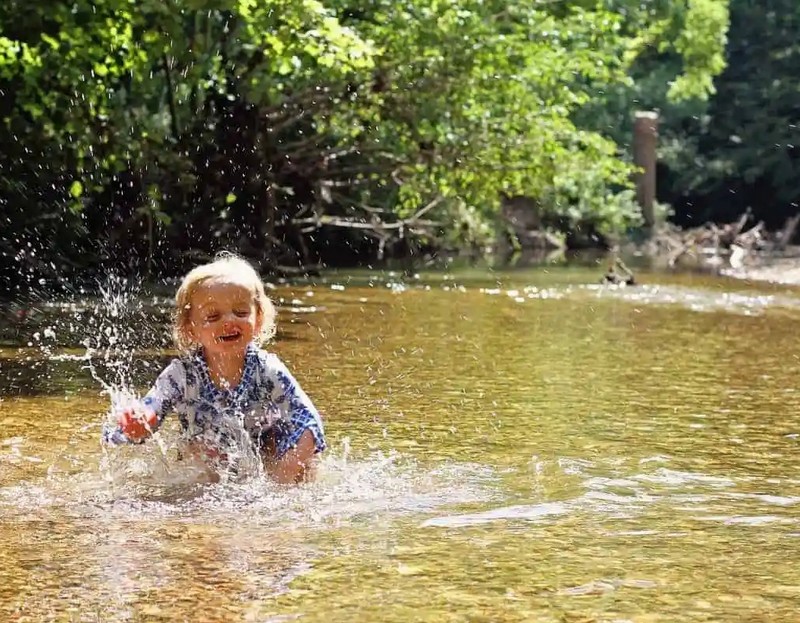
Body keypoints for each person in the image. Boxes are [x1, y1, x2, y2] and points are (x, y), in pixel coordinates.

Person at [101, 253, 326, 483]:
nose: (229, 321)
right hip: (209, 461)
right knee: (196, 450)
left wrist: (284, 475)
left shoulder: (268, 370)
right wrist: (140, 423)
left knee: (299, 455)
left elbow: (309, 421)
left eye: (240, 312)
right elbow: (152, 407)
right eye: (213, 315)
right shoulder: (182, 375)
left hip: (264, 459)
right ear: (191, 329)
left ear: (258, 318)